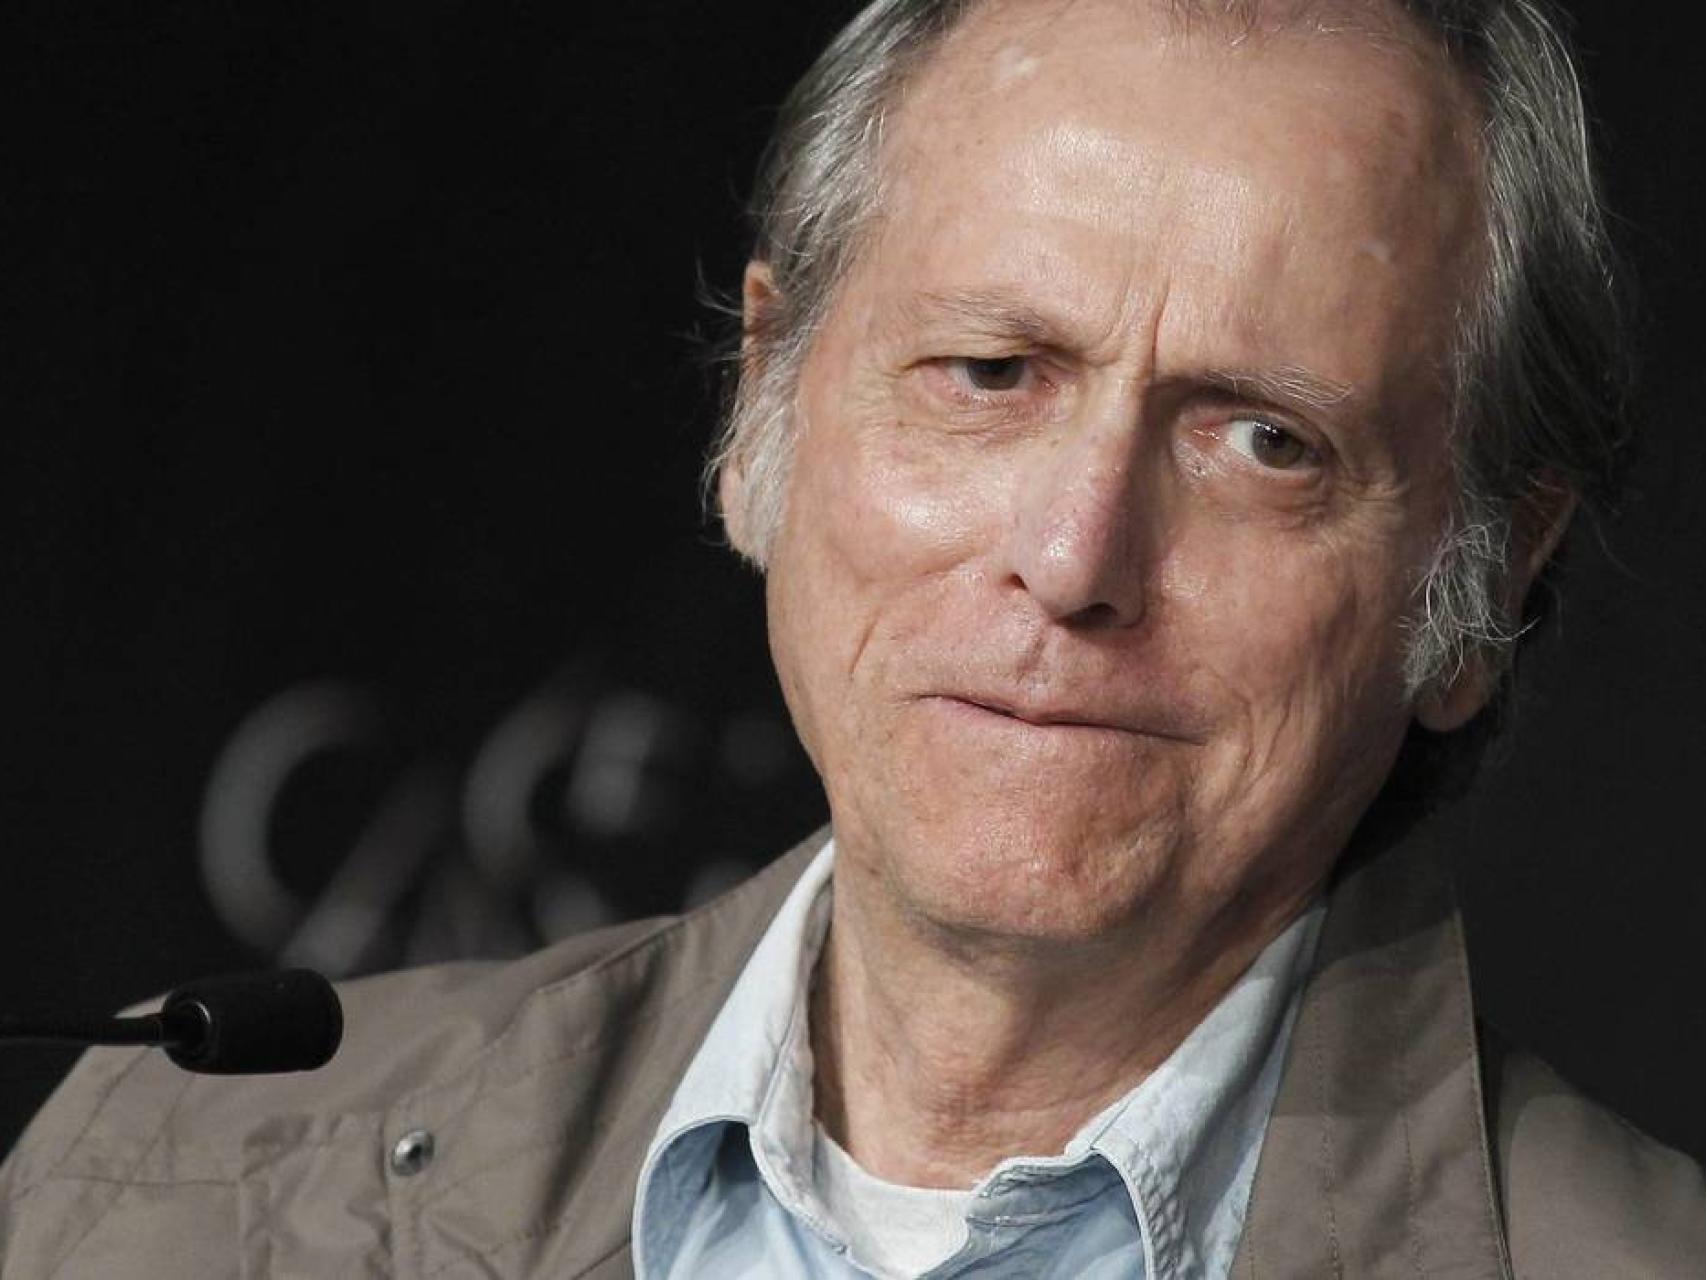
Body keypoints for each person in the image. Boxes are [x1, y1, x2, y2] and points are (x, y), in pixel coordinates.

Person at [3, 0, 1703, 1275]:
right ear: (765, 407)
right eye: (987, 373)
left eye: (1264, 440)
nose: (1072, 559)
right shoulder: (164, 1174)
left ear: (1482, 580)